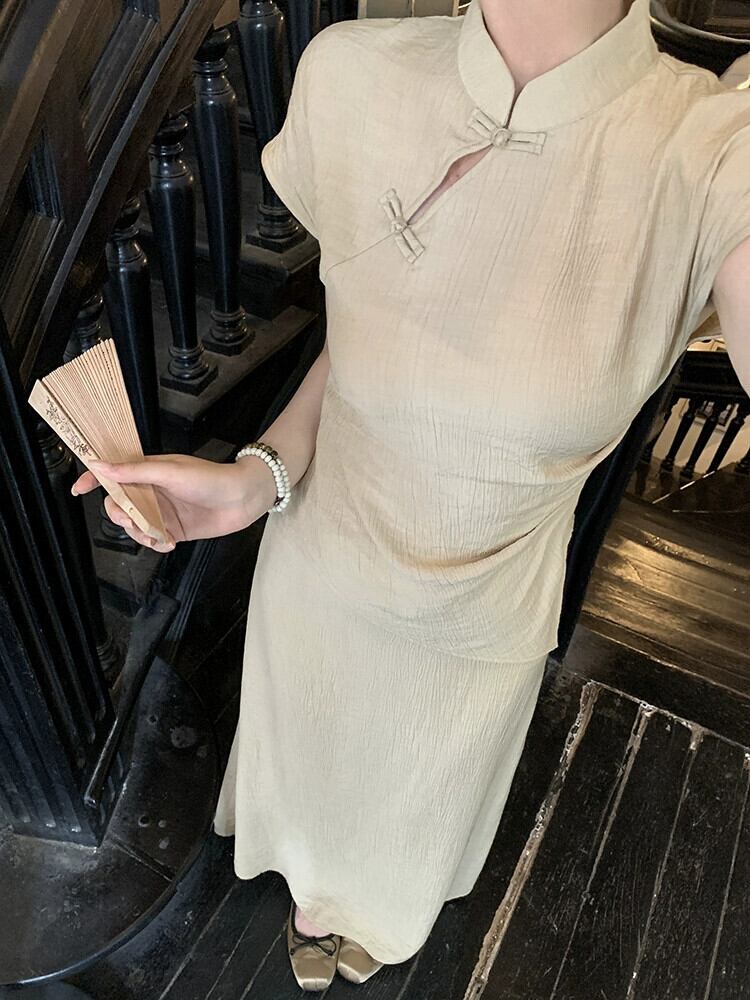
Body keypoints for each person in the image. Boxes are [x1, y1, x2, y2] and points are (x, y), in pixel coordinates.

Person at [72, 0, 750, 990]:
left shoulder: (711, 149)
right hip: (319, 576)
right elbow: (360, 345)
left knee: (405, 825)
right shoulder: (350, 71)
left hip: (474, 629)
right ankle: (315, 900)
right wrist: (255, 478)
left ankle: (372, 912)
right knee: (312, 798)